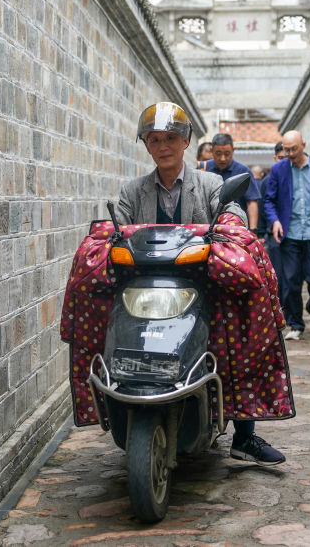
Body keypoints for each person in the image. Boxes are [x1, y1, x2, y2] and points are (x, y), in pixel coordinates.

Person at [116, 102, 286, 465]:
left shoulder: (211, 184)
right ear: (146, 145)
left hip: (204, 288)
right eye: (154, 139)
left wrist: (229, 223)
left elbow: (232, 212)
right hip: (148, 289)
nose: (163, 146)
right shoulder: (133, 192)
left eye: (171, 138)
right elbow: (117, 226)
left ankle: (245, 436)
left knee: (236, 337)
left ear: (186, 141)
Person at [263, 130, 310, 341]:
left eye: (293, 149)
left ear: (303, 145)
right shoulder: (278, 170)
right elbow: (269, 201)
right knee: (291, 281)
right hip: (289, 234)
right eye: (286, 150)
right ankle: (296, 324)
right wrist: (275, 221)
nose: (290, 154)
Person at [203, 133, 261, 234]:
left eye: (227, 153)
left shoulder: (243, 171)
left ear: (233, 150)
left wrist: (253, 230)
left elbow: (251, 202)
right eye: (218, 153)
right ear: (212, 150)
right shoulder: (203, 169)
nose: (222, 158)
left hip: (236, 229)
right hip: (207, 229)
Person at [257, 142, 287, 302]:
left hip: (294, 235)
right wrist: (261, 234)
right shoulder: (267, 181)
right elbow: (262, 207)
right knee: (278, 275)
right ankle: (282, 309)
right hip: (273, 236)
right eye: (281, 158)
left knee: (294, 277)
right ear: (275, 158)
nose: (284, 161)